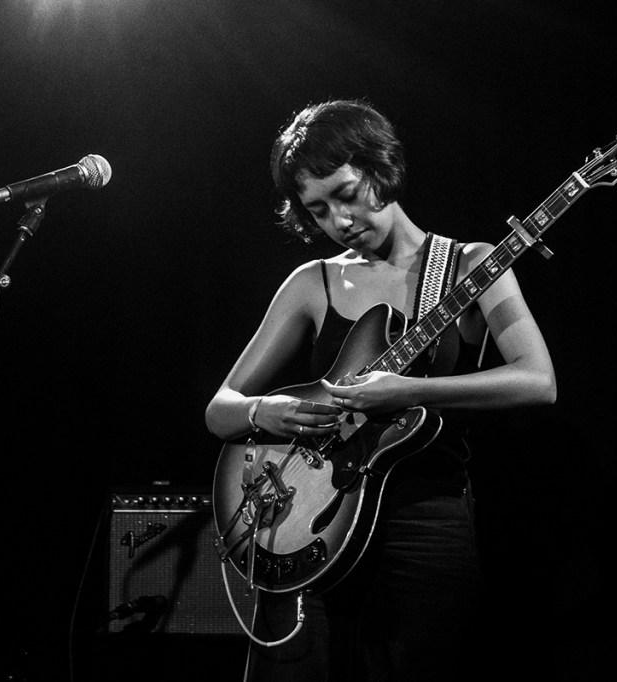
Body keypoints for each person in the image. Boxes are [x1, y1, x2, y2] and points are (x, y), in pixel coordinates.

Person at [205, 98, 556, 681]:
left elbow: (537, 381)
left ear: (380, 167)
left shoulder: (472, 264)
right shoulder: (312, 282)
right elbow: (221, 411)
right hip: (309, 524)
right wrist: (268, 411)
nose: (339, 221)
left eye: (345, 194)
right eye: (318, 211)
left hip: (426, 523)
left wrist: (404, 393)